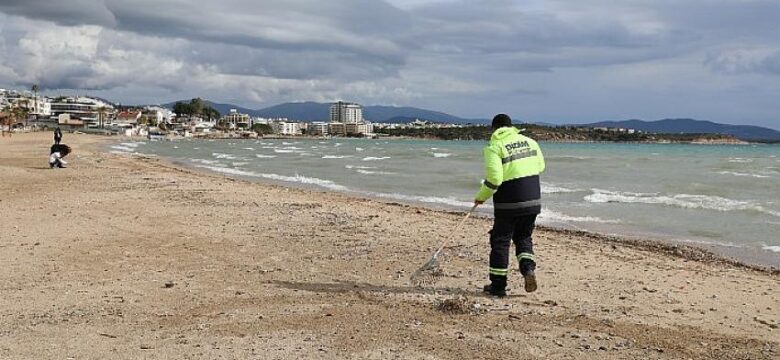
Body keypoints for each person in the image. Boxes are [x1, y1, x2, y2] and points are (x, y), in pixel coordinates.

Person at [474, 114, 545, 297]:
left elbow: (495, 179)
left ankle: (498, 286)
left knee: (500, 240)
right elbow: (540, 166)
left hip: (508, 202)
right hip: (533, 200)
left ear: (494, 129)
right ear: (511, 126)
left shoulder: (494, 147)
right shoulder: (530, 142)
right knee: (523, 237)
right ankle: (528, 269)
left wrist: (481, 197)